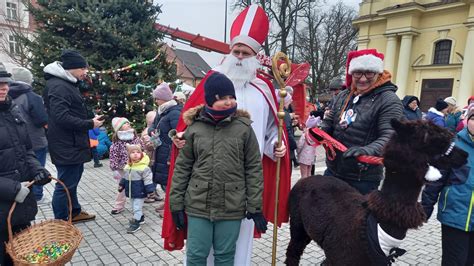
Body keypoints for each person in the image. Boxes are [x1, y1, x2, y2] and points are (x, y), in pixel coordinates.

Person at [162, 4, 290, 265]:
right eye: (236, 51)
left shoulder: (264, 87)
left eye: (246, 52)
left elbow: (271, 131)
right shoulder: (212, 81)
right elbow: (188, 125)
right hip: (203, 186)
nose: (240, 56)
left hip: (240, 186)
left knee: (235, 246)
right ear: (230, 51)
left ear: (255, 54)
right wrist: (178, 136)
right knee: (199, 250)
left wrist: (276, 144)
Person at [169, 72, 266, 265]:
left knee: (225, 255)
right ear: (210, 100)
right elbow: (182, 168)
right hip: (198, 204)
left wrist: (255, 206)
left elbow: (253, 168)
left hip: (232, 204)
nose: (229, 102)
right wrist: (176, 204)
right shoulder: (195, 129)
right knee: (196, 255)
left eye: (231, 97)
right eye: (223, 98)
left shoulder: (244, 128)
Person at [320, 49, 403, 195]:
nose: (363, 79)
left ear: (378, 73)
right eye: (358, 73)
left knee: (358, 217)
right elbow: (330, 120)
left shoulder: (389, 100)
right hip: (333, 171)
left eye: (369, 73)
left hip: (362, 177)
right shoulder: (344, 95)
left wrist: (366, 151)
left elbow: (390, 136)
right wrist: (320, 131)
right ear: (352, 74)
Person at [43, 50, 103, 222]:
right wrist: (89, 124)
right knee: (65, 185)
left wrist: (89, 119)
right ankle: (60, 222)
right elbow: (61, 117)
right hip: (66, 144)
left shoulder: (67, 83)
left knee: (72, 180)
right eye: (83, 68)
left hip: (72, 142)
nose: (86, 72)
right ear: (72, 68)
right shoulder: (59, 86)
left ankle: (74, 212)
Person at [0, 65, 51, 265]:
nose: (3, 88)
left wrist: (37, 170)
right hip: (6, 201)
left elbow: (26, 150)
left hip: (19, 206)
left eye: (5, 83)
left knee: (23, 255)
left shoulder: (12, 111)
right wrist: (13, 189)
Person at [421, 103, 474, 266]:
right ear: (466, 120)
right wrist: (425, 208)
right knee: (454, 262)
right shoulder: (453, 145)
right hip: (455, 216)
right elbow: (436, 179)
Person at [8, 66, 49, 204]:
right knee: (38, 167)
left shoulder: (7, 97)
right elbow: (42, 120)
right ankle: (38, 195)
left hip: (15, 141)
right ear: (28, 80)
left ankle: (24, 193)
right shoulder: (33, 97)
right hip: (35, 140)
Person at [147, 82, 181, 207]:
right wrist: (153, 132)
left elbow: (177, 135)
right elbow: (152, 127)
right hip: (160, 151)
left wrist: (170, 156)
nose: (156, 101)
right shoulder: (161, 111)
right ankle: (167, 204)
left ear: (164, 98)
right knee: (163, 180)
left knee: (168, 181)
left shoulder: (174, 113)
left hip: (167, 153)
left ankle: (171, 206)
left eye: (157, 98)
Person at [109, 117, 142, 214]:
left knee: (137, 185)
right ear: (119, 128)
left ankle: (138, 204)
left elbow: (141, 148)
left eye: (128, 122)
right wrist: (114, 168)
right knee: (122, 187)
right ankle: (119, 205)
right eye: (125, 123)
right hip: (122, 169)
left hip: (136, 166)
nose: (128, 124)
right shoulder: (117, 142)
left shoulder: (134, 137)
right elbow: (113, 155)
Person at [118, 144, 154, 233]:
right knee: (133, 206)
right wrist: (121, 185)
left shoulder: (144, 168)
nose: (135, 154)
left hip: (140, 191)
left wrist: (150, 190)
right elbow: (125, 177)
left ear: (141, 154)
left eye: (138, 152)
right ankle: (141, 217)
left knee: (136, 207)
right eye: (132, 152)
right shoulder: (128, 166)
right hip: (131, 192)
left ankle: (135, 223)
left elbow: (148, 179)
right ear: (129, 155)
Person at [297, 113, 321, 178]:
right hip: (311, 157)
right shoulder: (315, 134)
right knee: (309, 173)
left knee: (303, 174)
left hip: (303, 157)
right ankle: (309, 184)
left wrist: (298, 152)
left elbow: (300, 145)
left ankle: (304, 186)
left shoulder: (305, 134)